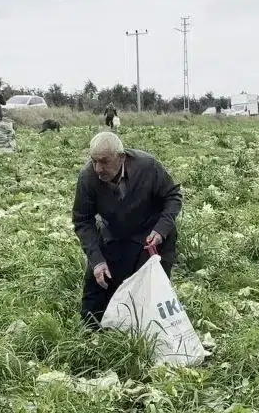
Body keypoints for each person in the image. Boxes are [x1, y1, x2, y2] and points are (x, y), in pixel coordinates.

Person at [73, 131, 183, 328]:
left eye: (104, 162)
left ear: (121, 157)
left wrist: (161, 229)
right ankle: (91, 335)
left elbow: (173, 196)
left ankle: (150, 331)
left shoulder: (148, 167)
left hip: (152, 235)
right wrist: (97, 260)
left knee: (149, 291)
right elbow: (83, 220)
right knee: (98, 288)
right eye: (94, 161)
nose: (98, 168)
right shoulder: (87, 177)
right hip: (116, 233)